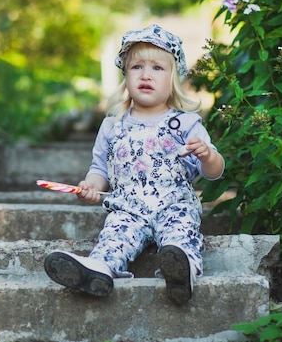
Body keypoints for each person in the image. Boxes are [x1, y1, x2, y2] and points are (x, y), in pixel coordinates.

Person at [44, 24, 225, 305]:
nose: (146, 75)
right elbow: (99, 170)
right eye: (136, 67)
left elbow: (214, 173)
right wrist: (90, 187)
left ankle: (181, 269)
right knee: (114, 237)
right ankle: (99, 270)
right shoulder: (113, 125)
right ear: (125, 76)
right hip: (128, 208)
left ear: (173, 78)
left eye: (157, 68)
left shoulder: (185, 123)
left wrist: (208, 155)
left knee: (181, 235)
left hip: (174, 205)